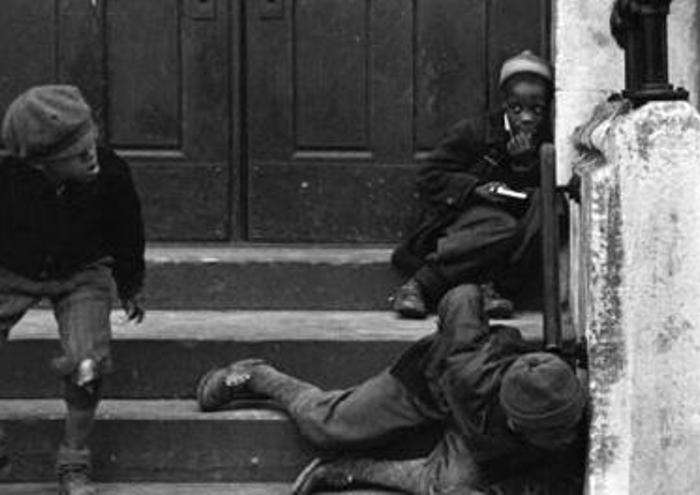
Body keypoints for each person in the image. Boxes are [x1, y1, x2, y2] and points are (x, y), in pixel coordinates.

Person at [196, 284, 586, 494]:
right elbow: (460, 297)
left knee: (449, 489)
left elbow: (550, 482)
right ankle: (258, 376)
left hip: (474, 435)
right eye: (555, 432)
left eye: (568, 426)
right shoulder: (469, 364)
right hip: (428, 387)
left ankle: (351, 471)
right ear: (518, 424)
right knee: (327, 426)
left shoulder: (566, 411)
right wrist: (483, 293)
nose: (567, 436)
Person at [0, 85, 146, 495]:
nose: (91, 158)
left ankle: (74, 461)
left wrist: (130, 284)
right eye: (75, 156)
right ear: (41, 163)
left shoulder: (111, 170)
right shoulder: (8, 175)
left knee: (87, 365)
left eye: (91, 144)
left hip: (82, 271)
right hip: (11, 270)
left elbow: (127, 230)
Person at [389, 51, 556, 320]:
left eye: (536, 110)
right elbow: (430, 175)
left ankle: (496, 289)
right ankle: (420, 285)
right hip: (465, 221)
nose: (526, 118)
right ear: (504, 105)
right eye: (516, 109)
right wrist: (474, 189)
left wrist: (524, 164)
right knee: (500, 225)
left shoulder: (546, 139)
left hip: (512, 230)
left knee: (548, 203)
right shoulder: (475, 131)